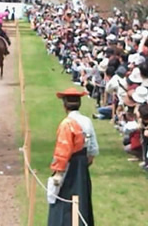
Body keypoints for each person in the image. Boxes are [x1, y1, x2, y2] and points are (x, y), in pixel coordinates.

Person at [48, 88, 99, 226]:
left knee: (65, 198)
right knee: (81, 197)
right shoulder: (87, 121)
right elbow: (93, 149)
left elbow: (62, 151)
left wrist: (58, 172)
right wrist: (84, 163)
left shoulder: (66, 124)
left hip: (69, 165)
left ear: (65, 105)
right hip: (82, 164)